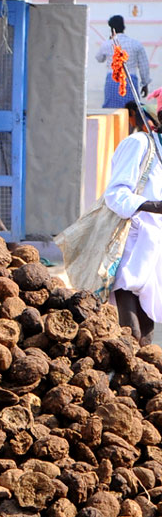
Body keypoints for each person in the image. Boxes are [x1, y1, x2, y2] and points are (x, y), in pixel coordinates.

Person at [104, 100, 162, 344]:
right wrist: (152, 206)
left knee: (146, 335)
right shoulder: (138, 144)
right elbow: (116, 194)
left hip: (154, 249)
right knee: (131, 335)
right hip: (130, 241)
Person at [97, 15, 150, 109]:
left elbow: (99, 58)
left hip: (112, 79)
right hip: (131, 79)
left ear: (111, 28)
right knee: (131, 111)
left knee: (111, 111)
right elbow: (144, 66)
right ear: (123, 27)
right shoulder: (136, 44)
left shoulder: (107, 44)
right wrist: (145, 84)